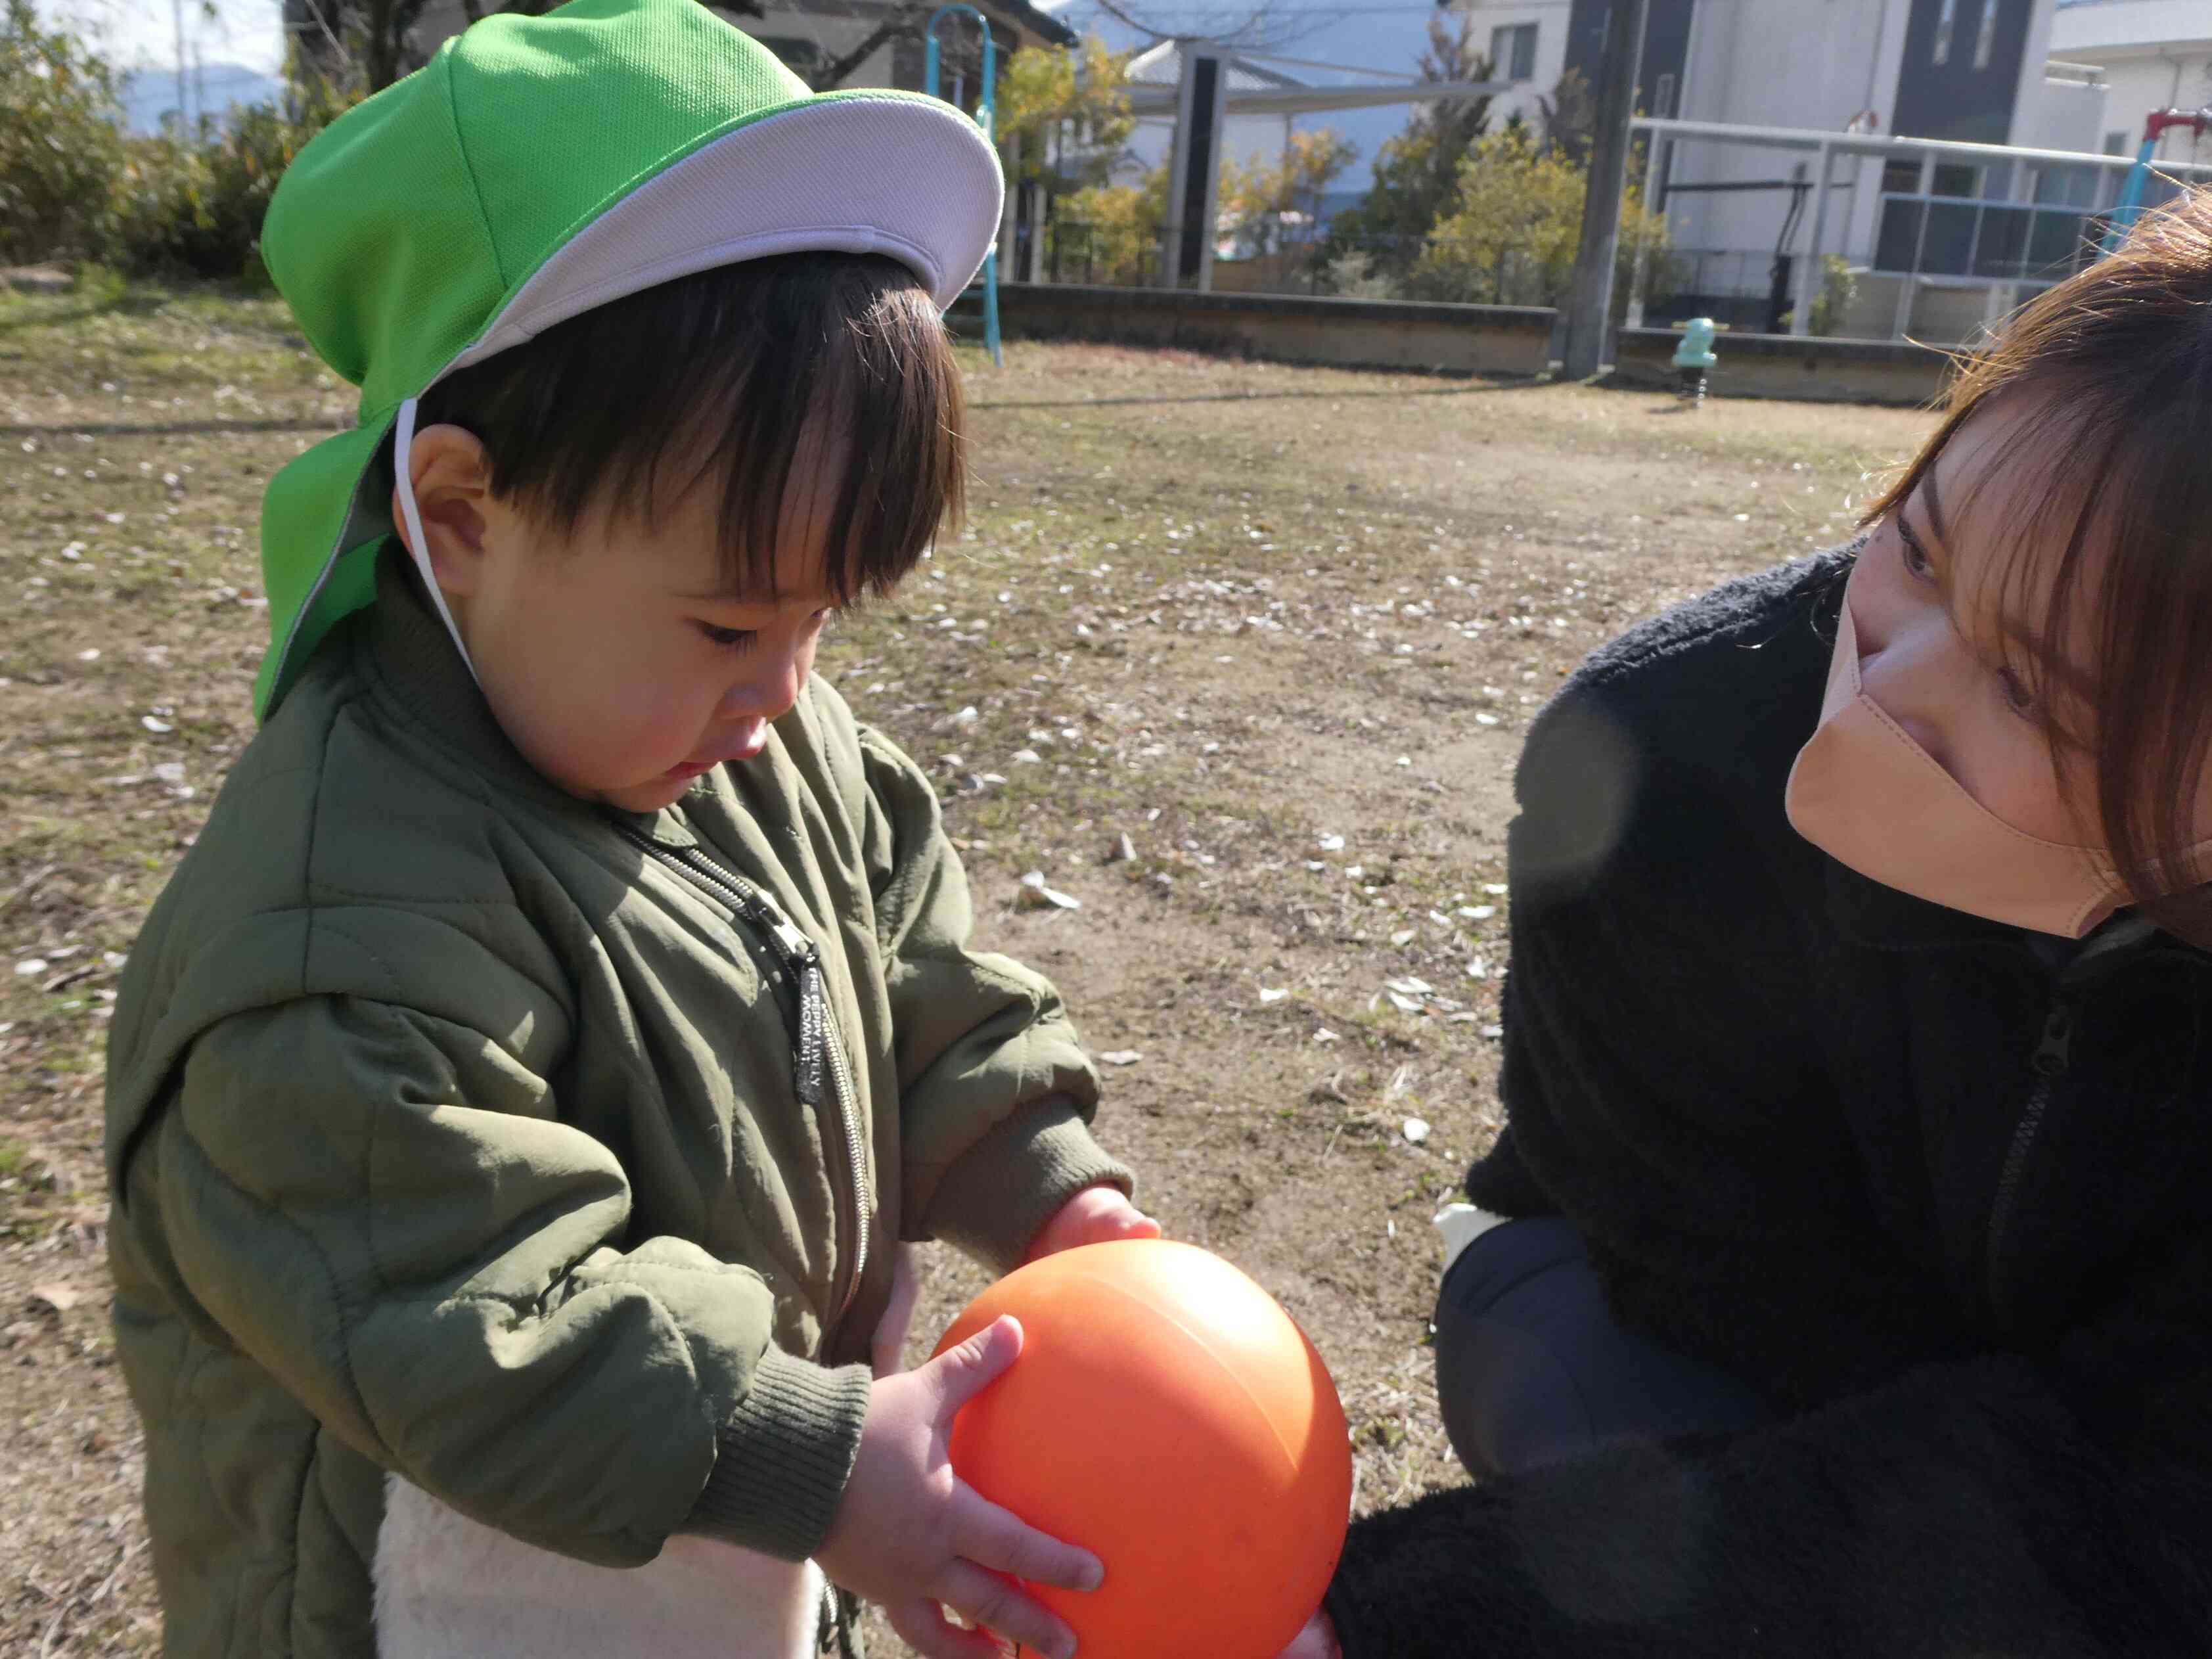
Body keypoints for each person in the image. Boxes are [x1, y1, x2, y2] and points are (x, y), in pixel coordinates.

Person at [101, 5, 1157, 1657]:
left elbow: (911, 958)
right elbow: (475, 1312)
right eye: (732, 624)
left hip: (701, 1566)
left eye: (824, 620)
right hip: (440, 1602)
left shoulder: (744, 730)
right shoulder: (327, 939)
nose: (788, 691)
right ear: (458, 516)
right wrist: (815, 1458)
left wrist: (1041, 1177)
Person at [1286, 191, 2212, 1656]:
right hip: (1673, 1324)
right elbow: (1702, 1264)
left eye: (2032, 691)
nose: (1889, 676)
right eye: (1918, 547)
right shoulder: (1669, 749)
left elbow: (2153, 1487)